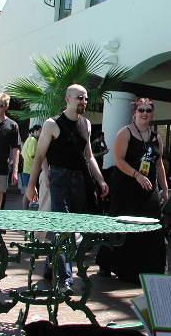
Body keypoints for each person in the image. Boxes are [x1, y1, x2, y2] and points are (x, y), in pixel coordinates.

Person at [26, 84, 109, 291]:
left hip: (80, 180)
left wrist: (100, 180)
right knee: (63, 228)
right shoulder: (52, 124)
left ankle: (50, 264)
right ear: (68, 99)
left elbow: (89, 156)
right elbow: (40, 156)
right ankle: (65, 279)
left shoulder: (86, 124)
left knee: (73, 229)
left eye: (86, 98)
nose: (83, 101)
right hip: (59, 179)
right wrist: (31, 185)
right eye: (80, 97)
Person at [96, 97, 168, 282]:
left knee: (151, 226)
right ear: (135, 113)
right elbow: (118, 160)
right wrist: (137, 175)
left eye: (148, 110)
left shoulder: (156, 137)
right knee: (121, 226)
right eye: (141, 110)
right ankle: (109, 264)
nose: (145, 113)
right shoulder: (125, 132)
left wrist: (165, 188)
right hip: (126, 186)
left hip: (148, 187)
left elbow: (159, 164)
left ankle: (147, 268)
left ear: (152, 114)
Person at [20, 124, 41, 210]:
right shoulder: (33, 140)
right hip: (30, 170)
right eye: (40, 131)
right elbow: (32, 155)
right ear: (35, 131)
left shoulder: (28, 139)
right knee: (28, 192)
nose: (41, 133)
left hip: (26, 169)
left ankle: (25, 210)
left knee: (28, 192)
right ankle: (25, 211)